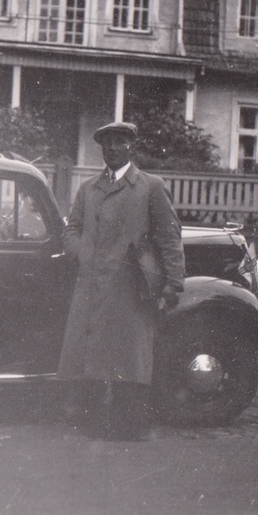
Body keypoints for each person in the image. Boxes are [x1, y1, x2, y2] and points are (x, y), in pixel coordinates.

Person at [57, 121, 186, 441]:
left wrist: (172, 283)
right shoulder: (88, 188)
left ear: (132, 146)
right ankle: (91, 420)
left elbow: (170, 237)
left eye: (120, 142)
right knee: (90, 355)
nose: (113, 148)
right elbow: (71, 229)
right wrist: (80, 252)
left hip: (131, 288)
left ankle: (129, 425)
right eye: (107, 143)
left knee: (128, 357)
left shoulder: (150, 186)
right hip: (90, 285)